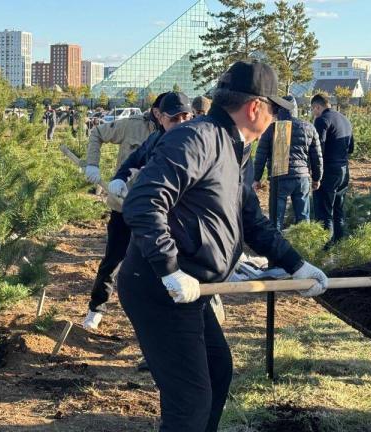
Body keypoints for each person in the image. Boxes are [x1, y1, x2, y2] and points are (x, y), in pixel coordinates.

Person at [117, 60, 328, 431]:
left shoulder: (232, 148)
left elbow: (251, 220)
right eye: (275, 110)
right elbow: (143, 202)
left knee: (218, 371)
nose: (275, 119)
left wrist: (297, 265)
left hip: (193, 289)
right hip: (158, 287)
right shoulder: (196, 138)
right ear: (255, 108)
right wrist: (169, 269)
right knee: (191, 400)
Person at [80, 94, 164, 330]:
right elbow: (97, 133)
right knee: (113, 260)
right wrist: (92, 164)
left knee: (157, 265)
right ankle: (96, 308)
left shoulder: (182, 134)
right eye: (168, 115)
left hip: (159, 214)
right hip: (124, 208)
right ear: (157, 113)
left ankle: (154, 317)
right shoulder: (132, 126)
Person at [253, 95, 323, 231]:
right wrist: (317, 178)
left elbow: (260, 156)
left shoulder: (272, 128)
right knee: (303, 218)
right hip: (302, 177)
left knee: (276, 218)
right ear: (295, 109)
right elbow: (317, 157)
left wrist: (256, 178)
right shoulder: (308, 127)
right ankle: (304, 247)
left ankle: (276, 248)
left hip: (280, 177)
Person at [311, 93, 354, 245]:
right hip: (344, 169)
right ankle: (340, 245)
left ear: (317, 106)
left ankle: (325, 250)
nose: (313, 113)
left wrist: (314, 173)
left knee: (324, 211)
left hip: (328, 170)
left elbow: (318, 149)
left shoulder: (321, 120)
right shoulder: (345, 120)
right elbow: (351, 149)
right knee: (338, 209)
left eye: (312, 109)